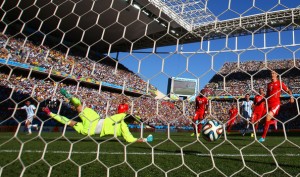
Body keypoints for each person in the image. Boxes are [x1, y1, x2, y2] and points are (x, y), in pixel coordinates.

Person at [42, 89, 153, 143]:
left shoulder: (120, 116)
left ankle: (69, 97)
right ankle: (51, 113)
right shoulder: (124, 128)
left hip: (94, 120)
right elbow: (130, 140)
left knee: (78, 106)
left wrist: (137, 119)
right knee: (69, 122)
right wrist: (145, 140)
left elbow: (129, 116)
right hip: (89, 131)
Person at [258, 70, 294, 143]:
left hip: (276, 104)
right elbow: (267, 95)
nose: (272, 74)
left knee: (268, 117)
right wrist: (261, 101)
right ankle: (273, 122)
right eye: (271, 73)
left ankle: (263, 137)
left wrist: (291, 97)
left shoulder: (280, 83)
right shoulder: (269, 84)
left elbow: (288, 91)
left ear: (277, 75)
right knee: (261, 121)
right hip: (268, 104)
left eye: (273, 73)